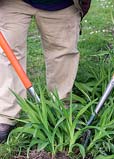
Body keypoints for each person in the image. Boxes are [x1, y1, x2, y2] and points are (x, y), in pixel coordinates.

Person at [0, 0, 91, 143]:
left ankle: (61, 110)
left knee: (62, 54)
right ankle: (6, 114)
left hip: (61, 4)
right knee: (8, 52)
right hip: (13, 2)